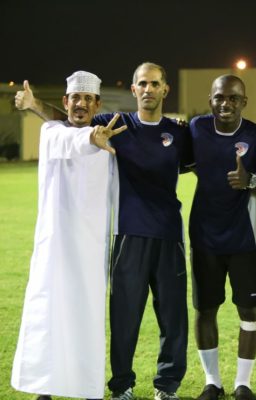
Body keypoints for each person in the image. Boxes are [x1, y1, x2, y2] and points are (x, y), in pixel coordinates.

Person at [15, 62, 192, 400]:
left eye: (155, 84)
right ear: (134, 89)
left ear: (165, 89)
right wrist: (34, 104)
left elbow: (199, 161)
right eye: (143, 83)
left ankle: (167, 386)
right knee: (124, 318)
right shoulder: (116, 125)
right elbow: (68, 120)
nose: (149, 89)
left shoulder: (179, 132)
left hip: (169, 234)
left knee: (173, 318)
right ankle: (122, 385)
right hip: (128, 233)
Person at [11, 71, 125, 400]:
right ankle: (44, 388)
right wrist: (91, 138)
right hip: (55, 246)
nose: (81, 104)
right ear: (66, 101)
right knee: (48, 313)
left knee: (88, 316)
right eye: (75, 98)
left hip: (92, 247)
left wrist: (97, 138)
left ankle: (88, 388)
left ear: (97, 105)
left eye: (88, 99)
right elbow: (70, 139)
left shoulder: (108, 137)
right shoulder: (52, 132)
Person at [187, 75, 256, 400]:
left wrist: (249, 180)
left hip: (246, 241)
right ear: (210, 100)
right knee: (205, 309)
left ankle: (243, 384)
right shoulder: (196, 129)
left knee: (249, 311)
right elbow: (177, 160)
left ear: (243, 102)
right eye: (220, 97)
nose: (226, 103)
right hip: (205, 238)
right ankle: (212, 382)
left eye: (233, 98)